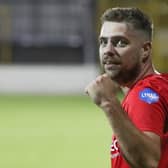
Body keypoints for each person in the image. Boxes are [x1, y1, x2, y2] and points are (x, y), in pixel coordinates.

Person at [85, 7, 168, 168]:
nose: (108, 50)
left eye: (120, 42)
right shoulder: (161, 86)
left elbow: (148, 161)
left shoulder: (145, 94)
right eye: (103, 42)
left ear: (145, 50)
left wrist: (108, 102)